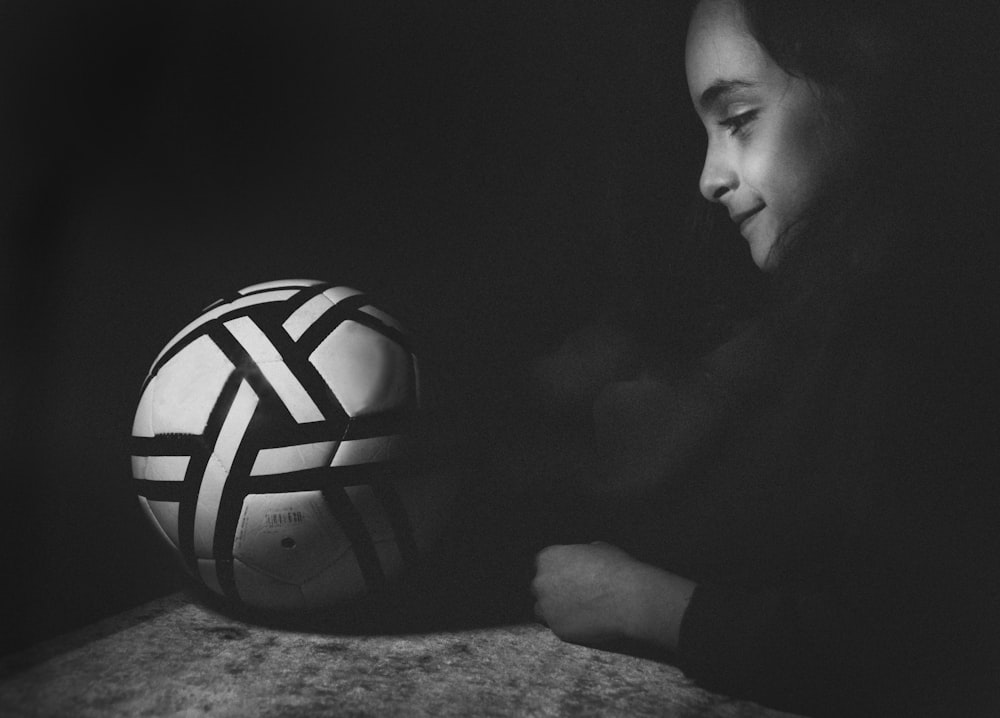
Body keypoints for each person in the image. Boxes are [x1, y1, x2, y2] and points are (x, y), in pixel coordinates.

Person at [529, 1, 1000, 715]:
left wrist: (654, 607)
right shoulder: (832, 315)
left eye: (740, 119)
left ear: (869, 78)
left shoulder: (925, 330)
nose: (710, 177)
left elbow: (919, 646)